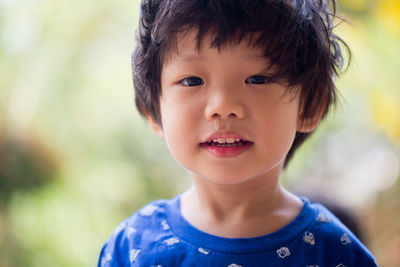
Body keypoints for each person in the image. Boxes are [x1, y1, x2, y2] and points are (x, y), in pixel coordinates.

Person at [98, 0, 377, 266]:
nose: (223, 106)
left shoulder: (334, 252)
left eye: (257, 79)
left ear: (309, 106)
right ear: (153, 112)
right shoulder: (132, 247)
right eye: (192, 80)